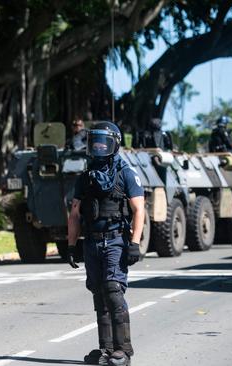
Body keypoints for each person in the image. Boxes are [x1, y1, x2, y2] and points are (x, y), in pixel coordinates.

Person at [66, 122, 145, 366]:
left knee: (113, 291)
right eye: (95, 141)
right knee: (99, 294)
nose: (99, 146)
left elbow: (139, 209)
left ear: (114, 144)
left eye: (104, 142)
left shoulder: (126, 174)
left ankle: (123, 351)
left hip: (116, 240)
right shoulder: (86, 177)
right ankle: (106, 349)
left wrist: (134, 243)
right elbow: (75, 213)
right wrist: (71, 246)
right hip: (91, 242)